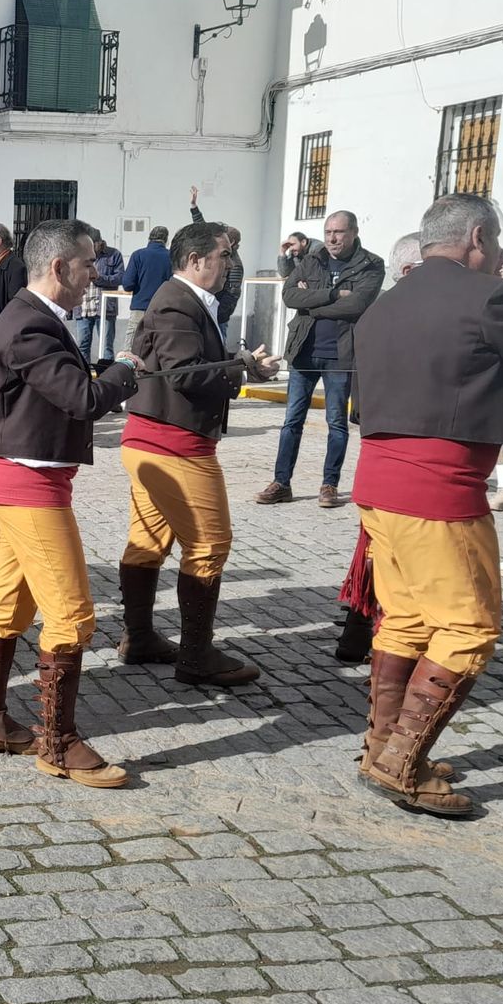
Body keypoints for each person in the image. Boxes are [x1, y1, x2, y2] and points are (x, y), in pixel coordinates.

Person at [345, 193, 503, 818]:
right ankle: (399, 763)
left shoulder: (383, 305)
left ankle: (381, 746)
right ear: (476, 236)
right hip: (438, 490)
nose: (498, 257)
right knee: (468, 628)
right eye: (495, 244)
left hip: (379, 486)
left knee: (408, 619)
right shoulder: (488, 296)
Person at [0, 219, 142, 788]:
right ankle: (58, 742)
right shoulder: (30, 325)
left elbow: (64, 386)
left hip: (27, 480)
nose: (97, 273)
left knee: (8, 606)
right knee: (71, 614)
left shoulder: (34, 317)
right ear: (60, 268)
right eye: (90, 263)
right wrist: (123, 371)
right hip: (28, 486)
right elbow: (80, 398)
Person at [117, 221, 281, 687]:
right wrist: (243, 370)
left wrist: (242, 367)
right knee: (209, 546)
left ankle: (141, 637)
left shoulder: (184, 299)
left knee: (148, 542)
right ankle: (195, 656)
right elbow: (185, 374)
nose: (230, 264)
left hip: (156, 440)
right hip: (175, 445)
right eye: (224, 255)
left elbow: (190, 365)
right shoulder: (175, 301)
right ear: (196, 261)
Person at [333, 229, 426, 663]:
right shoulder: (403, 315)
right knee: (389, 555)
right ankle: (380, 636)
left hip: (386, 446)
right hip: (403, 451)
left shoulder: (385, 311)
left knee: (375, 550)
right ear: (409, 270)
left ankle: (357, 632)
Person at [256, 210, 385, 508]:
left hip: (340, 354)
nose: (332, 238)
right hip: (304, 349)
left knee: (336, 422)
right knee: (292, 421)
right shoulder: (312, 259)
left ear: (353, 232)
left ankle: (329, 484)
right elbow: (290, 296)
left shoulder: (371, 264)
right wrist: (333, 294)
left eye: (338, 232)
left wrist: (312, 301)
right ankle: (281, 482)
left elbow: (357, 304)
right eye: (328, 232)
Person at [189, 190, 245, 335]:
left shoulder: (235, 264)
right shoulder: (220, 255)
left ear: (230, 242)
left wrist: (217, 313)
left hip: (218, 318)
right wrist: (194, 208)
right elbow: (204, 231)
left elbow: (232, 293)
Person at [77, 228, 125, 363]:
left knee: (106, 347)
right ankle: (84, 377)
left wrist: (99, 278)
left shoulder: (114, 254)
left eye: (93, 245)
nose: (91, 249)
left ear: (100, 242)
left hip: (105, 308)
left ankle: (106, 378)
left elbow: (121, 277)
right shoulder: (81, 254)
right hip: (83, 307)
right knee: (82, 346)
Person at [120, 225, 173, 328]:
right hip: (164, 309)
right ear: (166, 240)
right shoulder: (172, 257)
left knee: (133, 342)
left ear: (149, 238)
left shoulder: (138, 255)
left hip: (140, 308)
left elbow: (127, 284)